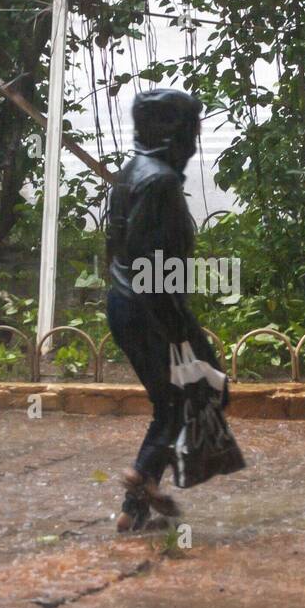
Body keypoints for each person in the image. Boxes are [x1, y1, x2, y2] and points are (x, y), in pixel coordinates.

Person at [105, 88, 225, 532]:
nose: (195, 143)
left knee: (171, 400)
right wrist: (180, 333)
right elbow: (152, 267)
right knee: (191, 392)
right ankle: (142, 476)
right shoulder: (161, 182)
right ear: (172, 134)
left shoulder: (131, 173)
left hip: (124, 305)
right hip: (150, 308)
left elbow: (119, 250)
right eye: (191, 131)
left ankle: (132, 511)